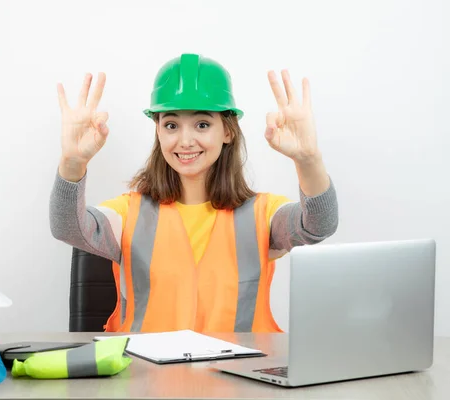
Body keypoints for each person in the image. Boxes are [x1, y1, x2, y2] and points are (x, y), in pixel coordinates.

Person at [49, 53, 338, 333]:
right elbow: (68, 227)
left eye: (202, 124)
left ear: (227, 132)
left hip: (242, 377)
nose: (186, 141)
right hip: (146, 378)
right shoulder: (128, 214)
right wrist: (72, 163)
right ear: (158, 131)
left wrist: (308, 159)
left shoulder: (263, 213)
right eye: (172, 125)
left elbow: (317, 225)